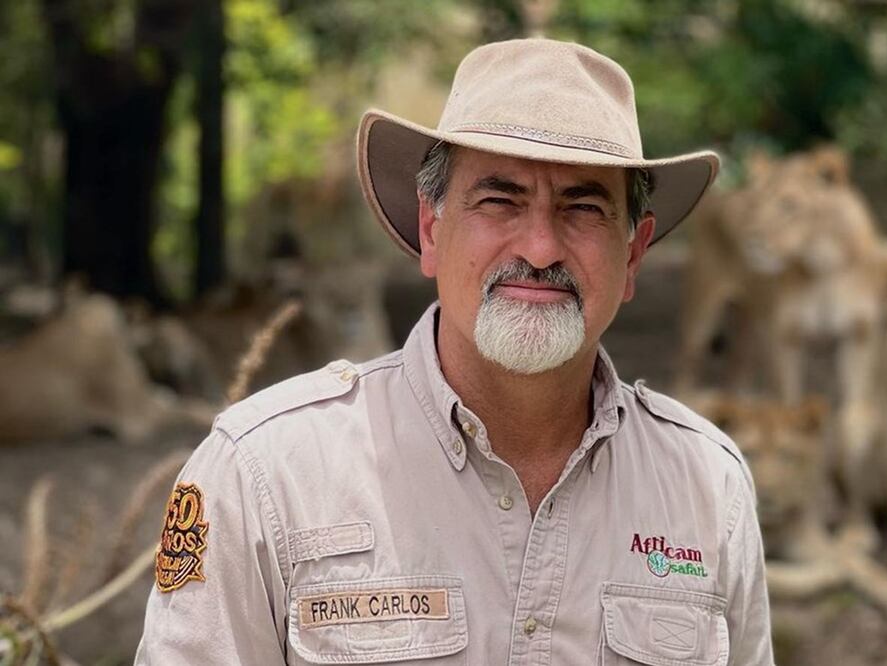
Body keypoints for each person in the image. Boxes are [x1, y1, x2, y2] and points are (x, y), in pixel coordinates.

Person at [136, 38, 774, 665]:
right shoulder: (268, 474)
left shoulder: (707, 486)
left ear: (632, 254)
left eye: (583, 207)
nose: (542, 247)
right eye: (500, 200)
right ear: (432, 229)